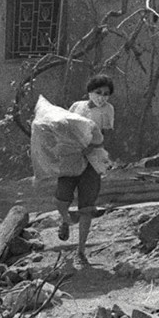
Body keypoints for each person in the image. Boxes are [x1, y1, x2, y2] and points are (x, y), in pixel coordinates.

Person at [53, 74, 116, 264]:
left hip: (92, 161)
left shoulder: (107, 110)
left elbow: (108, 135)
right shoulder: (77, 106)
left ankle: (81, 250)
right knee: (61, 197)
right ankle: (65, 220)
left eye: (106, 94)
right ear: (90, 92)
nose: (102, 97)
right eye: (98, 92)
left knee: (87, 206)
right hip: (72, 158)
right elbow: (66, 127)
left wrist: (94, 146)